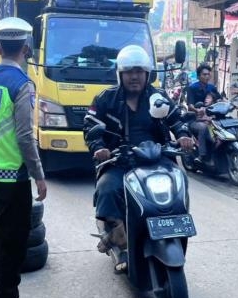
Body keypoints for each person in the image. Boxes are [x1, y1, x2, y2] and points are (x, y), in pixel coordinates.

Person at [83, 45, 194, 272]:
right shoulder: (106, 99)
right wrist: (99, 146)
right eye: (129, 72)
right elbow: (90, 126)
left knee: (180, 181)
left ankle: (173, 227)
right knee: (107, 187)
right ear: (121, 74)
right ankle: (119, 240)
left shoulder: (158, 97)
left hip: (157, 159)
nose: (134, 76)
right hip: (120, 161)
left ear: (147, 74)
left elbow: (176, 119)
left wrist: (183, 135)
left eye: (139, 72)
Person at [0, 17, 47, 298]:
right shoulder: (22, 84)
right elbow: (23, 136)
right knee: (13, 241)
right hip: (10, 173)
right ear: (27, 48)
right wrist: (39, 174)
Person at [185, 63, 220, 166]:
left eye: (208, 74)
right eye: (204, 74)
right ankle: (202, 156)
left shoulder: (211, 87)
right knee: (204, 128)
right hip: (195, 119)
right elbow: (190, 105)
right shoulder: (192, 88)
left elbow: (220, 99)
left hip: (209, 118)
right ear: (199, 76)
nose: (207, 76)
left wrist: (229, 104)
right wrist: (197, 110)